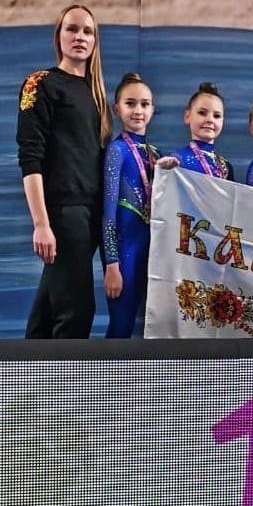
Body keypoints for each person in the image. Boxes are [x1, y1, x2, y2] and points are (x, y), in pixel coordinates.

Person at [16, 3, 112, 338]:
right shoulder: (40, 83)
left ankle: (29, 369)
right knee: (76, 312)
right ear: (58, 36)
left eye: (88, 31)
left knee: (48, 311)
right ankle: (65, 374)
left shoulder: (95, 94)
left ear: (95, 41)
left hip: (90, 215)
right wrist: (41, 223)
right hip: (63, 212)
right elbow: (30, 156)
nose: (80, 36)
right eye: (72, 29)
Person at [102, 72, 177, 339]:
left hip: (153, 253)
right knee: (121, 326)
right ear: (117, 109)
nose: (138, 111)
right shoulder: (117, 151)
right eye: (130, 104)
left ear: (153, 110)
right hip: (126, 254)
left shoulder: (157, 155)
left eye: (144, 104)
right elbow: (108, 214)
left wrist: (171, 172)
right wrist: (112, 264)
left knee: (150, 329)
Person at [172, 82, 235, 180]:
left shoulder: (226, 166)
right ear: (187, 116)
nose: (210, 120)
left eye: (216, 116)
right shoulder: (176, 161)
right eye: (202, 113)